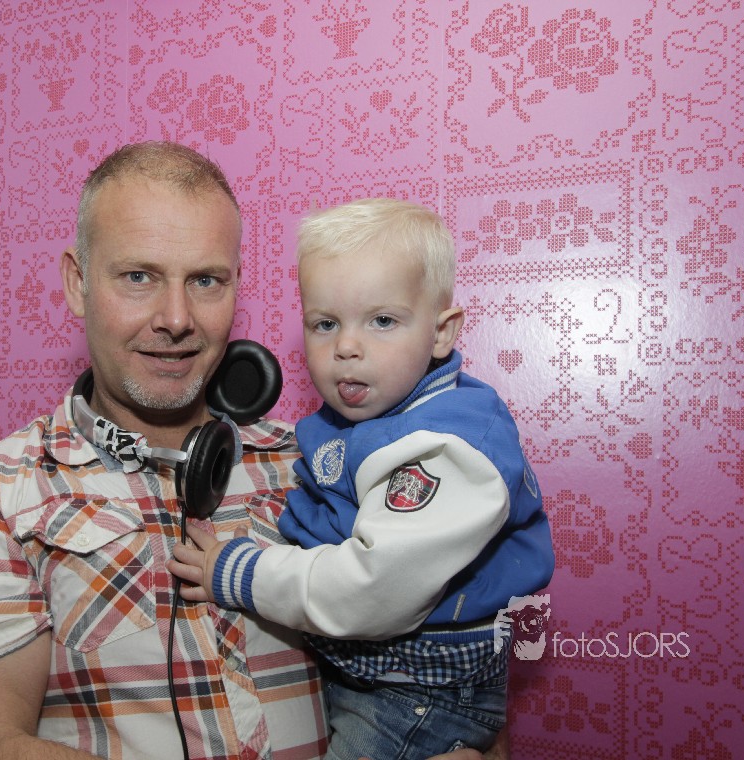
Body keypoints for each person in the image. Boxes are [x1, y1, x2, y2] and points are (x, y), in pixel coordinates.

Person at [0, 141, 505, 760]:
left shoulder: (318, 465)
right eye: (139, 277)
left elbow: (452, 681)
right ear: (78, 283)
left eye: (206, 281)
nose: (176, 318)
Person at [169, 199, 554, 759]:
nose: (346, 347)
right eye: (325, 324)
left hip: (418, 694)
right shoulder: (356, 424)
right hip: (370, 674)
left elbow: (375, 588)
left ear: (441, 333)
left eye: (383, 321)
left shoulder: (446, 447)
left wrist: (241, 573)